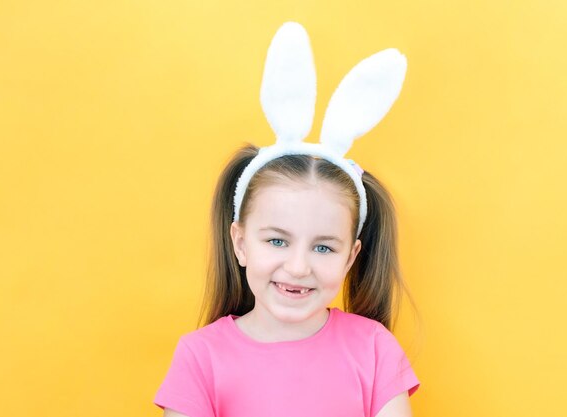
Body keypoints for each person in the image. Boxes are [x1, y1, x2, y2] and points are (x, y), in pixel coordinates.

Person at [153, 21, 421, 417]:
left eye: (324, 247)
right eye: (277, 240)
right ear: (240, 242)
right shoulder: (199, 358)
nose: (298, 267)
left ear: (351, 256)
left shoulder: (375, 349)